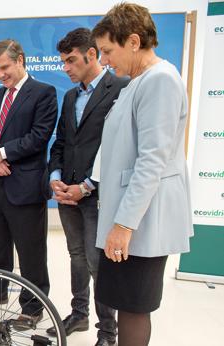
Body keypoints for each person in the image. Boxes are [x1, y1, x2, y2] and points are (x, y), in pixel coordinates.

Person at [91, 3, 193, 346]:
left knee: (134, 305)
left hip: (141, 220)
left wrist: (124, 225)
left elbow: (152, 160)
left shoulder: (160, 80)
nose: (104, 61)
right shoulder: (136, 82)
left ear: (133, 41)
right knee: (124, 300)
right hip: (129, 215)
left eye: (108, 51)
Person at [47, 28, 128, 346]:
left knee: (98, 264)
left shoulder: (121, 87)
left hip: (99, 195)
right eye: (63, 61)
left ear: (91, 55)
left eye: (70, 60)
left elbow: (120, 148)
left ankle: (107, 331)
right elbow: (62, 143)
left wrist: (89, 185)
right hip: (67, 195)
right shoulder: (69, 97)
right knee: (76, 256)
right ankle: (79, 315)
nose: (65, 67)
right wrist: (55, 178)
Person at [0, 39, 57, 330]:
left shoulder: (44, 92)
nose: (0, 75)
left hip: (26, 188)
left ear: (20, 60)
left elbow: (39, 136)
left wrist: (2, 154)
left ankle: (32, 309)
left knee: (31, 253)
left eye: (4, 67)